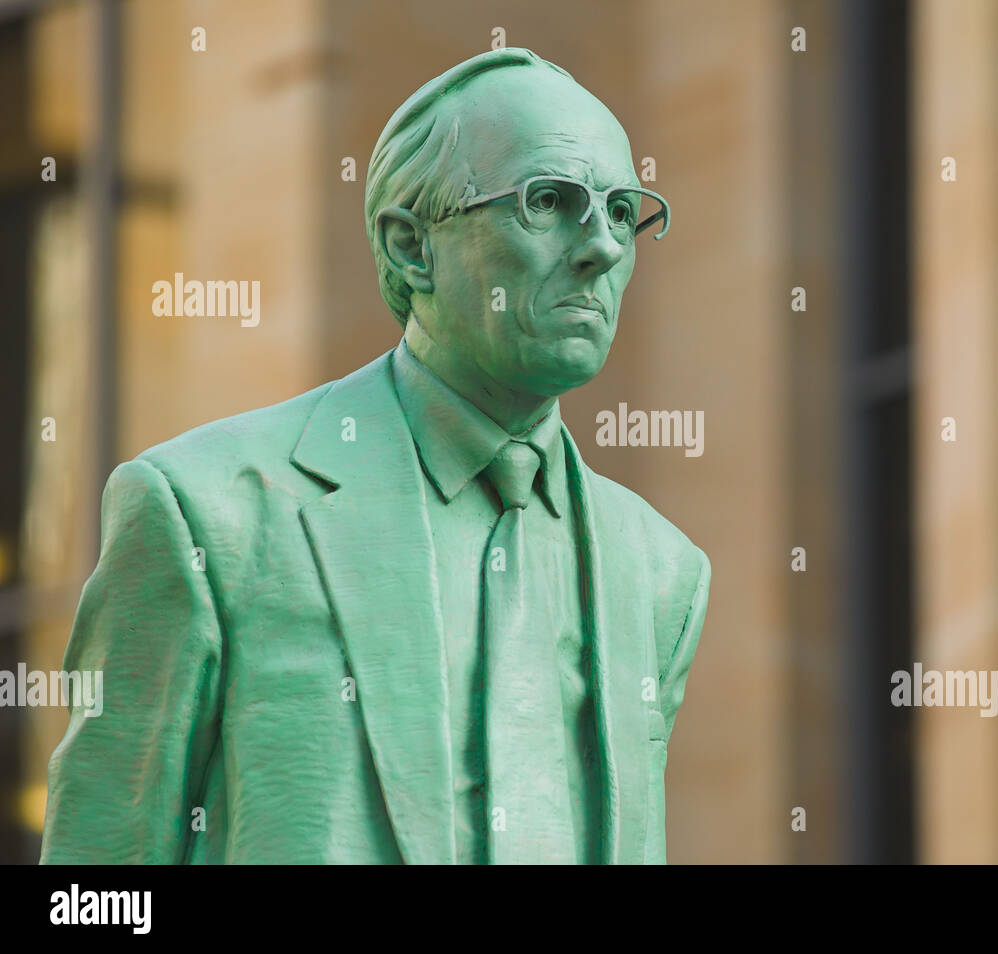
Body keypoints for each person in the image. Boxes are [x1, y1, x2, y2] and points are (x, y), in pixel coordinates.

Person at [40, 47, 710, 865]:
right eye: (548, 201)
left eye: (622, 210)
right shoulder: (208, 512)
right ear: (410, 246)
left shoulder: (661, 574)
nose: (601, 246)